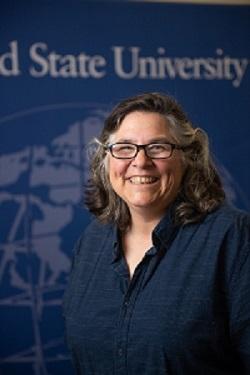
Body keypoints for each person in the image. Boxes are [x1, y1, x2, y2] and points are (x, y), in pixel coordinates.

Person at [63, 92, 250, 374]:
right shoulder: (91, 243)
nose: (140, 161)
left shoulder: (233, 238)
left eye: (158, 147)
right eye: (124, 148)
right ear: (106, 160)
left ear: (188, 157)